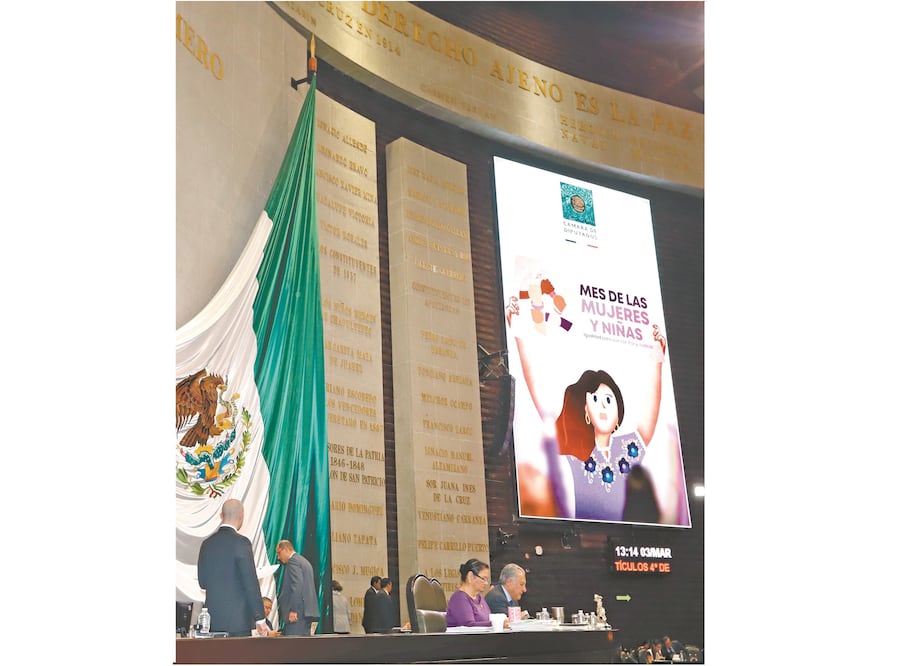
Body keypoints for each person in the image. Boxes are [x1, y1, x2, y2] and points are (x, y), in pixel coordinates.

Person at [510, 279, 667, 521]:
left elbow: (650, 416)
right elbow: (540, 395)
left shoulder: (630, 448)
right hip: (584, 538)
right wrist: (520, 335)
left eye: (608, 399)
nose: (603, 405)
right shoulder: (576, 450)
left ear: (619, 412)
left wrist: (657, 359)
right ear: (585, 411)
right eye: (595, 399)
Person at [196, 499, 268, 636]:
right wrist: (260, 618)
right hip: (238, 622)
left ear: (221, 516)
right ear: (241, 515)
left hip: (213, 621)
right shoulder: (242, 543)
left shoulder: (207, 544)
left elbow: (202, 583)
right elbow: (250, 583)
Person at [275, 539, 319, 636]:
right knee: (303, 647)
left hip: (297, 613)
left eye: (279, 553)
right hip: (307, 612)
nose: (278, 557)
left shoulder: (293, 562)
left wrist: (293, 609)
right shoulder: (304, 562)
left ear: (286, 549)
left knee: (294, 647)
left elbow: (297, 585)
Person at [446, 558, 493, 627]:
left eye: (487, 580)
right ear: (470, 577)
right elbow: (468, 625)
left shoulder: (479, 597)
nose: (486, 583)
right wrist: (495, 624)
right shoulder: (459, 598)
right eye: (483, 579)